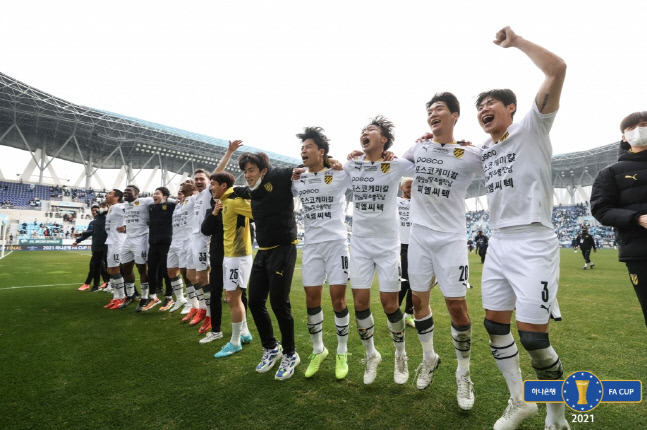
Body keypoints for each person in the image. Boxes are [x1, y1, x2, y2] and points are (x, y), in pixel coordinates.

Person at [475, 27, 568, 430]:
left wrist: (518, 43)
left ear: (512, 108)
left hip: (533, 240)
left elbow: (557, 69)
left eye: (491, 102)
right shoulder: (485, 149)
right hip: (497, 244)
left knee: (533, 338)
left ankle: (556, 415)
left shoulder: (531, 126)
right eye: (479, 105)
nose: (484, 108)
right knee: (495, 326)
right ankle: (519, 402)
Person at [401, 92, 481, 409]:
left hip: (451, 239)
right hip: (419, 237)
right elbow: (391, 167)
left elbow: (500, 163)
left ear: (455, 115)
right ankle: (429, 357)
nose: (433, 114)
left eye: (440, 109)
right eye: (430, 111)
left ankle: (463, 373)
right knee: (418, 301)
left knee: (457, 307)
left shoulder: (468, 153)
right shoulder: (418, 147)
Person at [344, 116, 414, 385]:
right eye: (362, 130)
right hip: (360, 245)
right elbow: (332, 170)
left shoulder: (394, 165)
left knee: (390, 304)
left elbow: (422, 163)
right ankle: (371, 354)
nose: (365, 133)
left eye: (371, 130)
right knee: (360, 303)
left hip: (387, 246)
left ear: (383, 139)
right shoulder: (353, 164)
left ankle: (400, 354)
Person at [234, 149, 300, 381]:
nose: (247, 175)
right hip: (262, 252)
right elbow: (224, 184)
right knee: (255, 302)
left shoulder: (280, 175)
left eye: (251, 170)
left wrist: (329, 160)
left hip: (284, 248)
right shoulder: (250, 190)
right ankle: (271, 348)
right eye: (244, 171)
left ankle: (291, 354)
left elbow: (306, 166)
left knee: (279, 304)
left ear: (263, 170)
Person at [291, 127, 352, 379]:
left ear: (321, 151)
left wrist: (340, 161)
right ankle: (319, 350)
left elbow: (362, 167)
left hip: (337, 243)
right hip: (312, 246)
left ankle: (342, 352)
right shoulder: (297, 178)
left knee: (338, 300)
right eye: (302, 147)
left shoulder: (339, 174)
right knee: (311, 299)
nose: (303, 150)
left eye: (308, 146)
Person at [591, 111, 647, 327]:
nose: (638, 130)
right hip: (639, 252)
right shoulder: (610, 173)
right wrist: (638, 219)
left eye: (643, 124)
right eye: (631, 128)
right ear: (624, 137)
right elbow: (601, 209)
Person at [210, 171, 254, 357]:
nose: (210, 187)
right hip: (230, 256)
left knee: (233, 299)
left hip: (239, 256)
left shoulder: (235, 201)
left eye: (213, 184)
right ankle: (244, 333)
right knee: (232, 297)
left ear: (223, 186)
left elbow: (258, 212)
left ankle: (235, 342)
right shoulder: (225, 201)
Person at [139, 187, 176, 311]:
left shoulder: (171, 206)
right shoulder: (151, 207)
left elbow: (177, 202)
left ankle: (169, 296)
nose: (154, 195)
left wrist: (166, 199)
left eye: (157, 193)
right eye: (154, 193)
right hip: (153, 243)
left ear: (165, 196)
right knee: (152, 270)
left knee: (166, 271)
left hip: (165, 243)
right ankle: (153, 296)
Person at [117, 185, 149, 309]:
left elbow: (161, 200)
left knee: (141, 268)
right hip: (128, 239)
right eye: (124, 191)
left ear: (136, 193)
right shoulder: (125, 205)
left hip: (141, 239)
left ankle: (145, 297)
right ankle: (130, 295)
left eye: (128, 191)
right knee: (125, 268)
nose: (125, 192)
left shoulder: (145, 201)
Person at [73, 204, 109, 292]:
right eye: (93, 210)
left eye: (96, 210)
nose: (94, 212)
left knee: (100, 266)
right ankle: (102, 283)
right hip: (96, 247)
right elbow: (91, 232)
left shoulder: (106, 219)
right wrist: (79, 239)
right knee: (98, 266)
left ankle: (89, 283)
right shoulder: (93, 222)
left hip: (106, 246)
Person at [103, 189, 127, 309]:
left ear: (117, 197)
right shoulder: (111, 208)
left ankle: (121, 297)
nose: (107, 195)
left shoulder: (119, 207)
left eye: (109, 194)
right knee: (110, 270)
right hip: (111, 241)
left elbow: (131, 214)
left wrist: (126, 227)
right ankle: (116, 297)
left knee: (116, 269)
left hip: (118, 241)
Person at [397, 177, 415, 329]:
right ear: (402, 188)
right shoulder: (395, 202)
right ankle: (395, 313)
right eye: (408, 187)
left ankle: (409, 315)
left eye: (414, 187)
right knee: (405, 282)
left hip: (417, 245)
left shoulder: (419, 203)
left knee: (416, 284)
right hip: (400, 246)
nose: (411, 190)